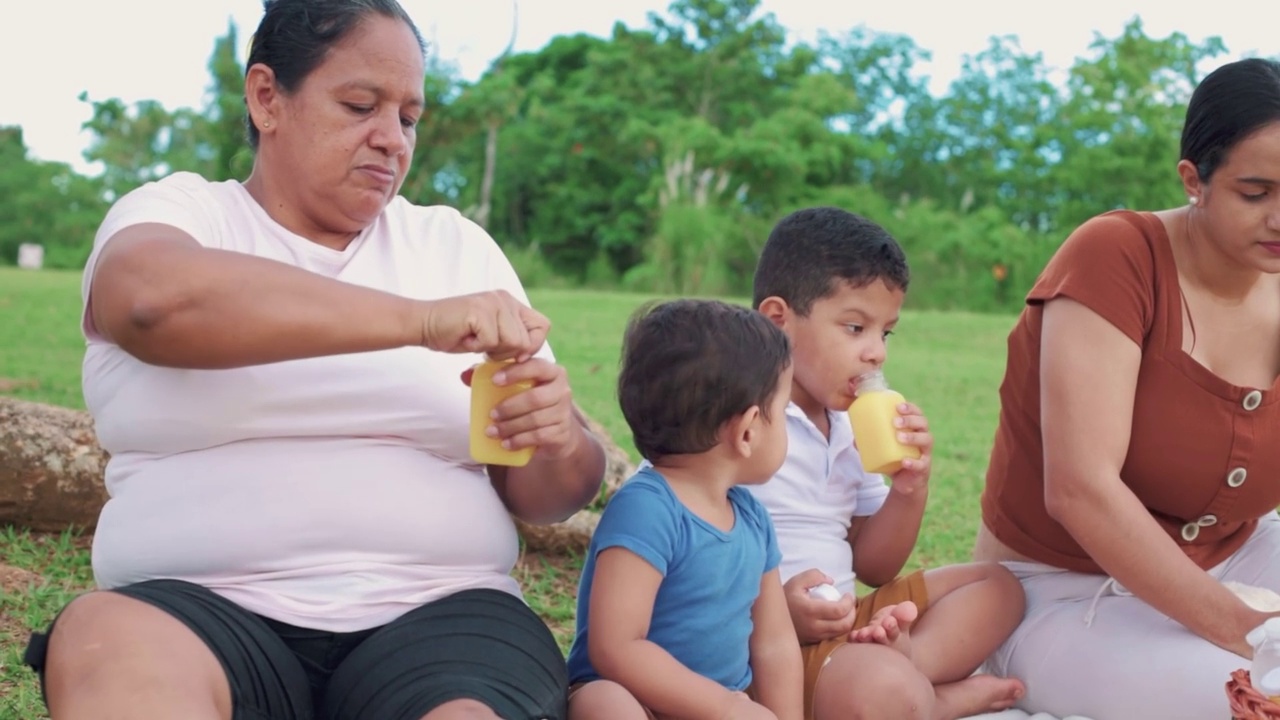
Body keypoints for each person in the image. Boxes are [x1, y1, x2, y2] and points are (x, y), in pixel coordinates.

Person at [21, 1, 606, 719]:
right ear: (267, 98)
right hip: (195, 610)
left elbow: (550, 496)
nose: (391, 139)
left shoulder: (452, 247)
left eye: (409, 118)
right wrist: (417, 321)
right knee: (110, 645)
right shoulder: (185, 216)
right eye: (361, 105)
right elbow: (149, 303)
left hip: (439, 614)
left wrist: (557, 436)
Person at [973, 57, 1280, 720]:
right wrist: (1250, 632)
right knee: (1253, 700)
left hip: (1237, 557)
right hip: (1061, 592)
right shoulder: (1115, 257)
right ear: (1193, 180)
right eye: (1257, 194)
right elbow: (1081, 490)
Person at [747, 207, 1027, 720]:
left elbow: (875, 567)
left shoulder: (850, 424)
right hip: (763, 642)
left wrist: (907, 489)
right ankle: (927, 698)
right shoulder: (736, 422)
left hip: (846, 621)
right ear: (777, 321)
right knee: (885, 694)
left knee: (999, 586)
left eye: (886, 333)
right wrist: (777, 616)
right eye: (855, 327)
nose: (876, 352)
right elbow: (693, 562)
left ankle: (910, 660)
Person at [565, 299, 804, 720]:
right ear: (748, 431)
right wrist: (725, 707)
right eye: (783, 413)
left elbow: (774, 643)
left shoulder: (752, 520)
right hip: (638, 702)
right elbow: (616, 647)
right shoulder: (647, 509)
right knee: (605, 703)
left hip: (720, 706)